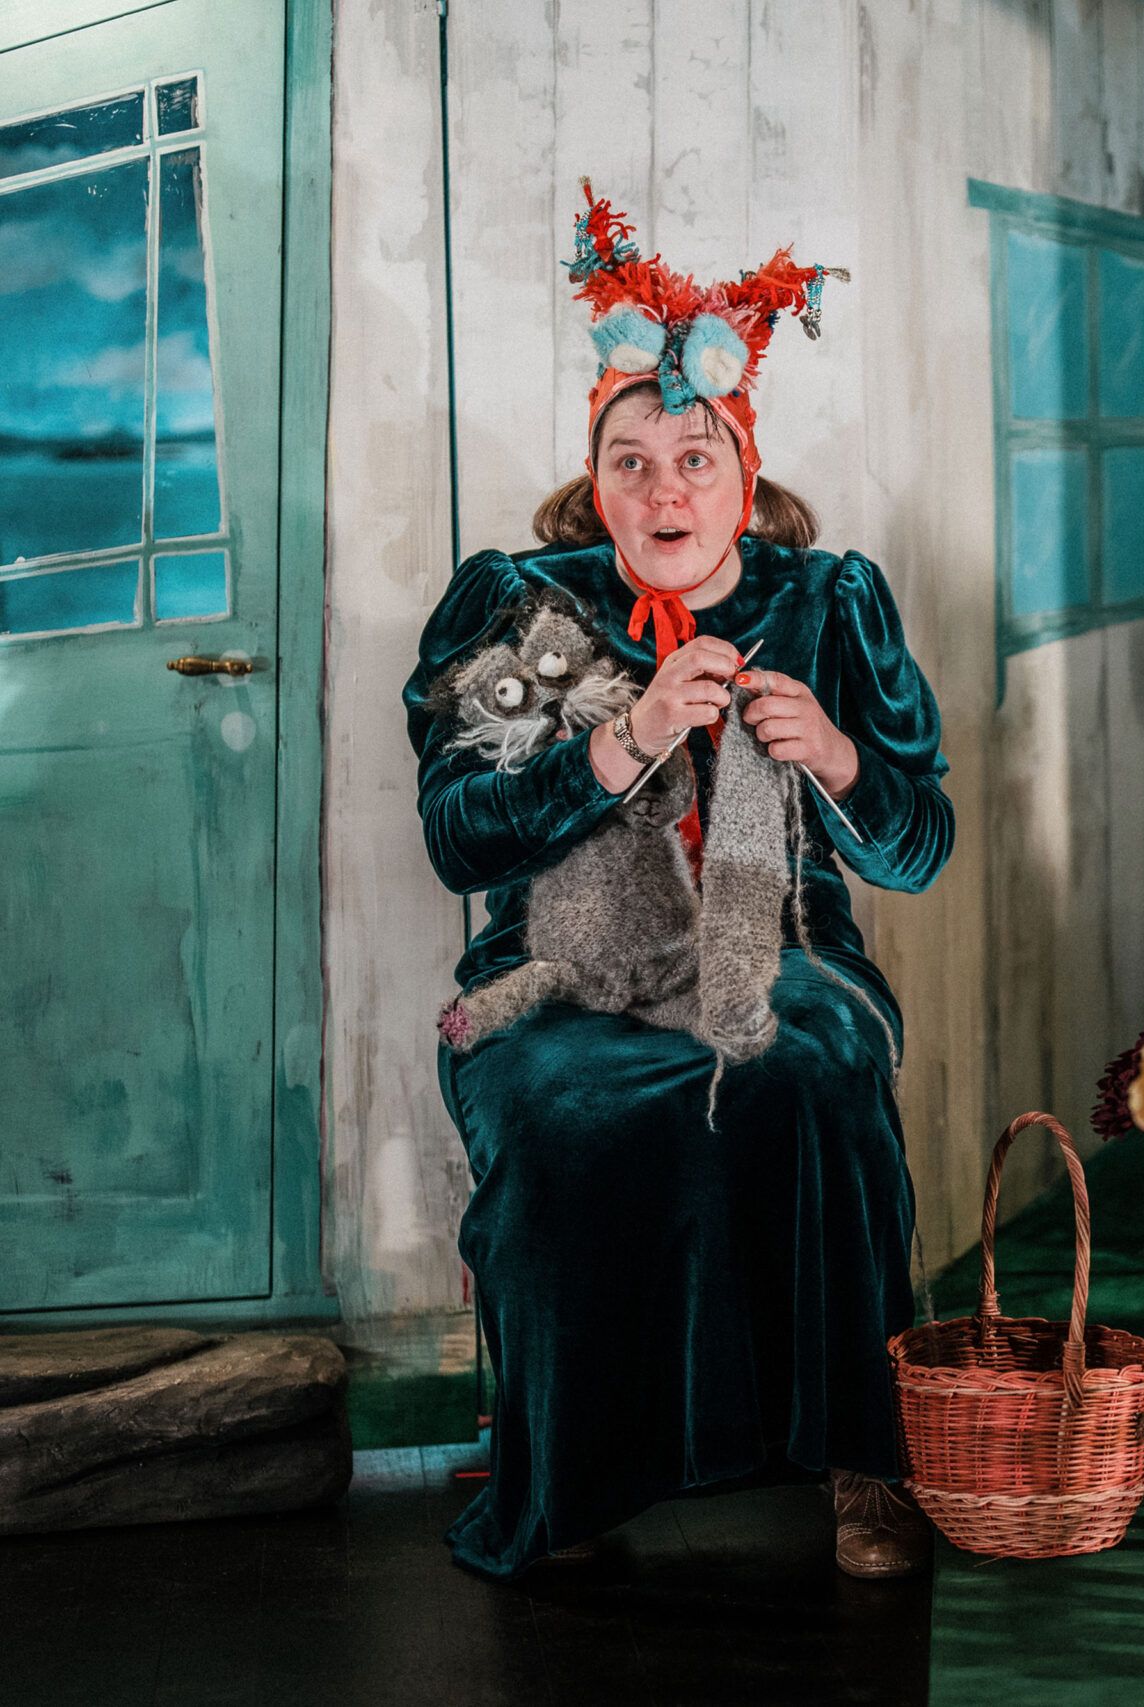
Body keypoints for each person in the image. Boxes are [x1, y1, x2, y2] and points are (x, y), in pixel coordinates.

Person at [405, 186, 950, 1580]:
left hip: (785, 950)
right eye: (632, 461)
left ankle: (864, 1461)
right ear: (596, 477)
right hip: (561, 968)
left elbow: (920, 845)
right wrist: (619, 742)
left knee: (814, 1071)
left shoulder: (825, 602)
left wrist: (836, 756)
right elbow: (459, 839)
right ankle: (569, 1483)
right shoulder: (519, 603)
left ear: (743, 472)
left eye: (696, 459)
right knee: (556, 1105)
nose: (666, 494)